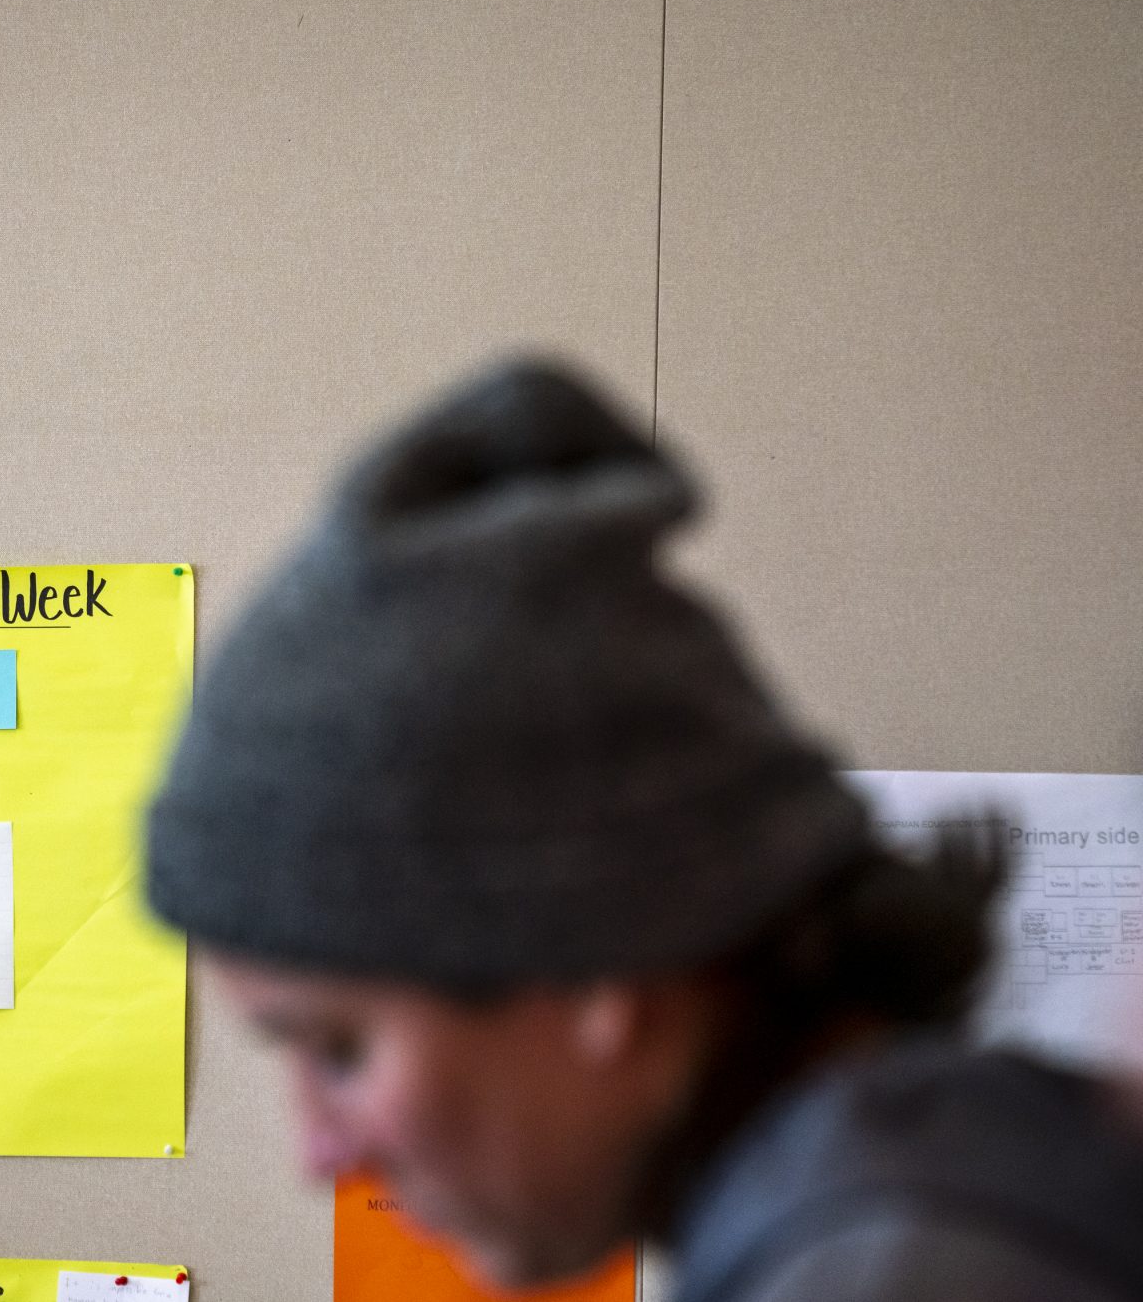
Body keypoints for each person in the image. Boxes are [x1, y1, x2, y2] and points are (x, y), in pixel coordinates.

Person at [145, 362, 1143, 1301]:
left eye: (338, 1049)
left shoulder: (897, 1273)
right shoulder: (950, 1175)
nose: (318, 1153)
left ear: (589, 966)